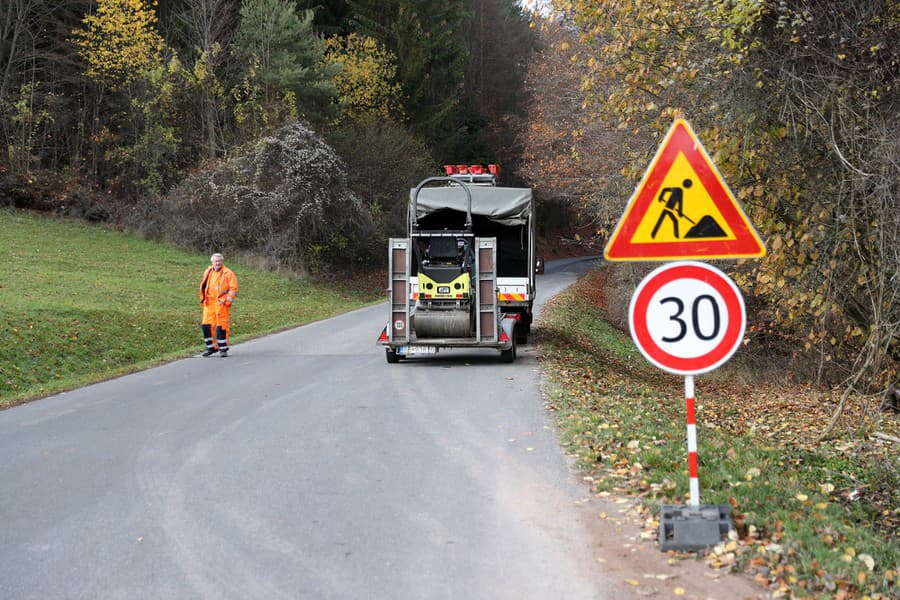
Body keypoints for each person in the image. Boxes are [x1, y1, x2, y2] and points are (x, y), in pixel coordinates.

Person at [199, 253, 238, 357]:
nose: (218, 263)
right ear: (212, 262)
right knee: (206, 325)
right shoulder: (208, 271)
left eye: (219, 261)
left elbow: (233, 289)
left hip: (221, 303)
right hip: (209, 303)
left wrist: (226, 301)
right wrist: (203, 299)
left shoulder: (228, 273)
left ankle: (223, 349)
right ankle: (211, 348)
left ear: (222, 262)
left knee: (221, 326)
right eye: (216, 261)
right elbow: (204, 285)